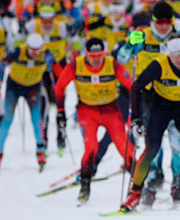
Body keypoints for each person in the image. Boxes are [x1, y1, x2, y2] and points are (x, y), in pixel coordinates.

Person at [121, 35, 180, 212]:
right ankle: (134, 194)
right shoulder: (159, 64)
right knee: (152, 149)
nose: (179, 59)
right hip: (161, 107)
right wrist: (136, 119)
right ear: (168, 54)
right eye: (175, 55)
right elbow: (136, 87)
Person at [52, 34, 135, 202]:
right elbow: (60, 86)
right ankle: (85, 185)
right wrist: (60, 111)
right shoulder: (77, 65)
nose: (97, 60)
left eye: (99, 56)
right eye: (93, 57)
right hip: (87, 111)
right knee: (91, 147)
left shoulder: (113, 64)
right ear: (86, 54)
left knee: (124, 146)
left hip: (110, 110)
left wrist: (137, 109)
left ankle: (138, 185)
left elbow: (132, 85)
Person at [0, 32, 54, 174]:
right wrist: (1, 65)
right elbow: (1, 63)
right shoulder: (19, 51)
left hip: (33, 88)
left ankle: (40, 152)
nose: (35, 54)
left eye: (37, 51)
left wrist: (52, 62)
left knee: (37, 120)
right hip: (14, 87)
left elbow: (57, 68)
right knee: (7, 120)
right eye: (32, 50)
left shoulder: (46, 53)